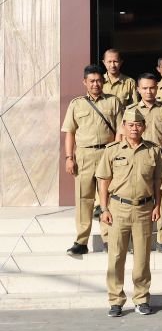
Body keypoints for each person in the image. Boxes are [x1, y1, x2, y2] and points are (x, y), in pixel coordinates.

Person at [96, 108, 162, 317]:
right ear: (123, 127)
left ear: (144, 127)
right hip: (118, 209)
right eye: (131, 125)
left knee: (142, 258)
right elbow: (103, 180)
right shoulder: (112, 150)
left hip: (144, 209)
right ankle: (115, 300)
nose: (134, 128)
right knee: (116, 256)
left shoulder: (153, 150)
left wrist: (158, 205)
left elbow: (158, 181)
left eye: (138, 125)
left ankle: (141, 298)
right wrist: (104, 208)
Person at [61, 64, 122, 256]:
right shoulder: (76, 104)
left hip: (107, 153)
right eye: (92, 81)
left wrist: (116, 153)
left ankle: (109, 239)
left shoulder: (113, 102)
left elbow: (120, 130)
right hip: (84, 156)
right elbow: (70, 133)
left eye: (99, 80)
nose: (96, 84)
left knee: (108, 198)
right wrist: (69, 157)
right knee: (83, 199)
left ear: (103, 82)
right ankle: (81, 241)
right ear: (85, 82)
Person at [122, 73, 162, 253]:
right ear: (138, 89)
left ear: (157, 88)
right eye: (144, 88)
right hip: (138, 156)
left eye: (152, 88)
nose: (148, 91)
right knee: (138, 197)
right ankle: (133, 241)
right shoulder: (131, 109)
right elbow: (123, 135)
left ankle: (161, 239)